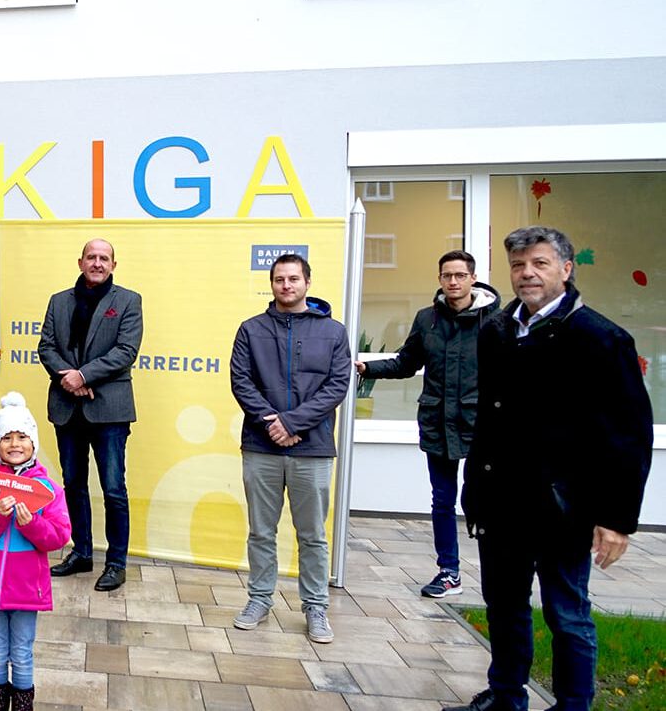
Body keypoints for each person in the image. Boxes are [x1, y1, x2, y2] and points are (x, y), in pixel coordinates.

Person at [445, 227, 653, 711]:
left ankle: (573, 704)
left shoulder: (601, 338)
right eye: (518, 265)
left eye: (539, 263)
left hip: (563, 507)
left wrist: (617, 519)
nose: (527, 274)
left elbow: (629, 435)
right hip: (502, 504)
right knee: (504, 608)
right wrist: (474, 490)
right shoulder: (497, 331)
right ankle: (505, 697)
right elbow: (490, 419)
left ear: (566, 268)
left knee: (567, 614)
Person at [355, 250, 500, 598]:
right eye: (447, 275)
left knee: (485, 500)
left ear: (473, 279)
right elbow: (407, 363)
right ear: (439, 279)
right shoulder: (427, 319)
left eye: (460, 275)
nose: (453, 281)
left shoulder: (496, 321)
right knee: (442, 500)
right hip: (438, 423)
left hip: (481, 426)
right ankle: (449, 572)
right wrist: (368, 368)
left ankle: (499, 573)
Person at [228, 252, 350, 644]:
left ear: (307, 283)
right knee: (261, 531)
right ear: (272, 284)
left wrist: (292, 423)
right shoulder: (251, 329)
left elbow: (337, 385)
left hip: (312, 449)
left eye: (293, 279)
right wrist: (273, 424)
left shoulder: (334, 332)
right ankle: (259, 599)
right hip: (261, 447)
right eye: (279, 279)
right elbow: (241, 381)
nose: (286, 285)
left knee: (312, 534)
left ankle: (315, 607)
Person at [37, 238, 142, 592]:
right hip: (67, 408)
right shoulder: (59, 301)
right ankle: (81, 552)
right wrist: (69, 379)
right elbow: (46, 347)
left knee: (113, 489)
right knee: (74, 484)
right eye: (91, 257)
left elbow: (126, 351)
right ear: (80, 262)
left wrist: (83, 376)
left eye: (104, 258)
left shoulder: (128, 301)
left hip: (109, 409)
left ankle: (116, 563)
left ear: (114, 265)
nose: (97, 263)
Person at [0, 392, 71, 711]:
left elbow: (59, 535)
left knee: (21, 652)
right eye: (6, 437)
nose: (15, 444)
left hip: (26, 588)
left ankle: (22, 706)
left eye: (22, 436)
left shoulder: (49, 490)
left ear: (33, 442)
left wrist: (32, 524)